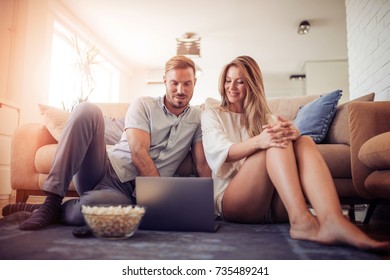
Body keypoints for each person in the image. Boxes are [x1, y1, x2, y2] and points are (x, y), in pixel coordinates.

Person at [201, 55, 390, 251]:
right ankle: (301, 221)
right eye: (228, 80)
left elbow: (286, 147)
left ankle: (333, 220)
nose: (231, 87)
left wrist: (295, 133)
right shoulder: (212, 113)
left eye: (240, 82)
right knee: (272, 140)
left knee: (305, 141)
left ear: (252, 84)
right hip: (236, 202)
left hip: (275, 205)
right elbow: (223, 152)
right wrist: (261, 140)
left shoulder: (266, 117)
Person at [2, 55, 211, 230]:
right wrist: (156, 201)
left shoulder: (198, 118)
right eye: (175, 83)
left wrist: (209, 205)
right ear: (165, 81)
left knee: (83, 216)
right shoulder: (144, 105)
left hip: (123, 194)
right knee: (87, 110)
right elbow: (138, 152)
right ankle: (52, 200)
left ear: (195, 83)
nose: (181, 90)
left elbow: (202, 164)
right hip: (103, 169)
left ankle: (43, 210)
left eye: (187, 83)